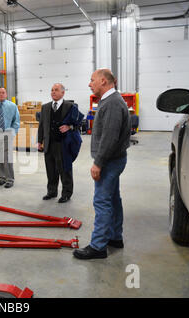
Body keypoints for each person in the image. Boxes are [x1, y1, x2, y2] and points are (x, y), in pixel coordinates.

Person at [73, 69, 131, 260]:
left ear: (104, 81)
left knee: (102, 201)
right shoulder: (109, 100)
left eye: (92, 80)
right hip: (113, 159)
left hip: (109, 161)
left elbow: (110, 137)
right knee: (113, 199)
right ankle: (115, 237)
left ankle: (98, 246)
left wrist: (98, 163)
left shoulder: (113, 103)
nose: (89, 84)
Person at [37, 83, 79, 203]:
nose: (53, 92)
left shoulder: (70, 106)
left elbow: (78, 123)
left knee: (65, 170)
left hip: (63, 144)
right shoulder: (45, 107)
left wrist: (69, 127)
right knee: (51, 169)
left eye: (56, 90)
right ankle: (51, 191)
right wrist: (39, 141)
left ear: (63, 92)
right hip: (49, 144)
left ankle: (66, 193)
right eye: (51, 90)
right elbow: (41, 126)